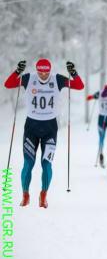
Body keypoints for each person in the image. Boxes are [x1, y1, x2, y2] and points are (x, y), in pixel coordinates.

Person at [4, 59, 84, 208]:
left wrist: (73, 73)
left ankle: (43, 195)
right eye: (40, 72)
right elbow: (8, 84)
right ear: (36, 70)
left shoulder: (57, 79)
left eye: (45, 72)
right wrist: (17, 71)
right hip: (31, 128)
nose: (42, 75)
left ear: (49, 71)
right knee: (28, 163)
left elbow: (79, 86)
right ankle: (25, 194)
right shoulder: (29, 78)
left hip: (50, 129)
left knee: (46, 164)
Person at [86, 80, 107, 168]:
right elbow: (89, 98)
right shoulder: (100, 92)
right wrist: (91, 97)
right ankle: (101, 155)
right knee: (101, 139)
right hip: (102, 119)